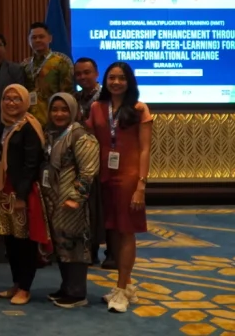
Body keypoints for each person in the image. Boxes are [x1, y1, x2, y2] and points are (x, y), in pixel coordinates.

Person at [86, 62, 152, 313]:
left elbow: (145, 149)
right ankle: (126, 284)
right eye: (111, 77)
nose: (115, 82)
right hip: (104, 176)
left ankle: (122, 288)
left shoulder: (139, 109)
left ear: (129, 81)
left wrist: (141, 185)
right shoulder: (97, 108)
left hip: (129, 178)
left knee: (126, 231)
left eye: (121, 78)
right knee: (112, 229)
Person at [43, 93, 100, 309]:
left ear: (74, 111)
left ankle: (77, 293)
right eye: (55, 109)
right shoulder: (52, 133)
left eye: (64, 109)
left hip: (72, 201)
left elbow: (88, 171)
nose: (59, 114)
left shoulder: (81, 136)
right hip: (55, 200)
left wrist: (76, 197)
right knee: (61, 243)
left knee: (75, 244)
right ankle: (66, 287)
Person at [0, 84, 50, 306]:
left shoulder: (29, 126)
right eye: (7, 98)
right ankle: (16, 283)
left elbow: (31, 164)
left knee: (24, 242)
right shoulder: (5, 124)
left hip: (21, 192)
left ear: (25, 101)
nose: (11, 103)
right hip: (4, 190)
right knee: (10, 242)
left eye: (16, 99)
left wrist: (21, 196)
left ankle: (25, 288)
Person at [73, 57, 108, 267]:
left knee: (103, 206)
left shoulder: (106, 98)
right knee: (87, 205)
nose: (82, 77)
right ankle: (88, 249)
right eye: (78, 74)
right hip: (82, 158)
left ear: (96, 73)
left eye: (87, 72)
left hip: (104, 156)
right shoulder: (75, 98)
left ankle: (109, 252)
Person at [21, 22, 74, 127]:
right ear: (29, 40)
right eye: (34, 37)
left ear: (50, 38)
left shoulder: (60, 63)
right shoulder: (25, 65)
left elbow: (67, 94)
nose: (37, 40)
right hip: (29, 120)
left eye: (41, 37)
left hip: (53, 119)